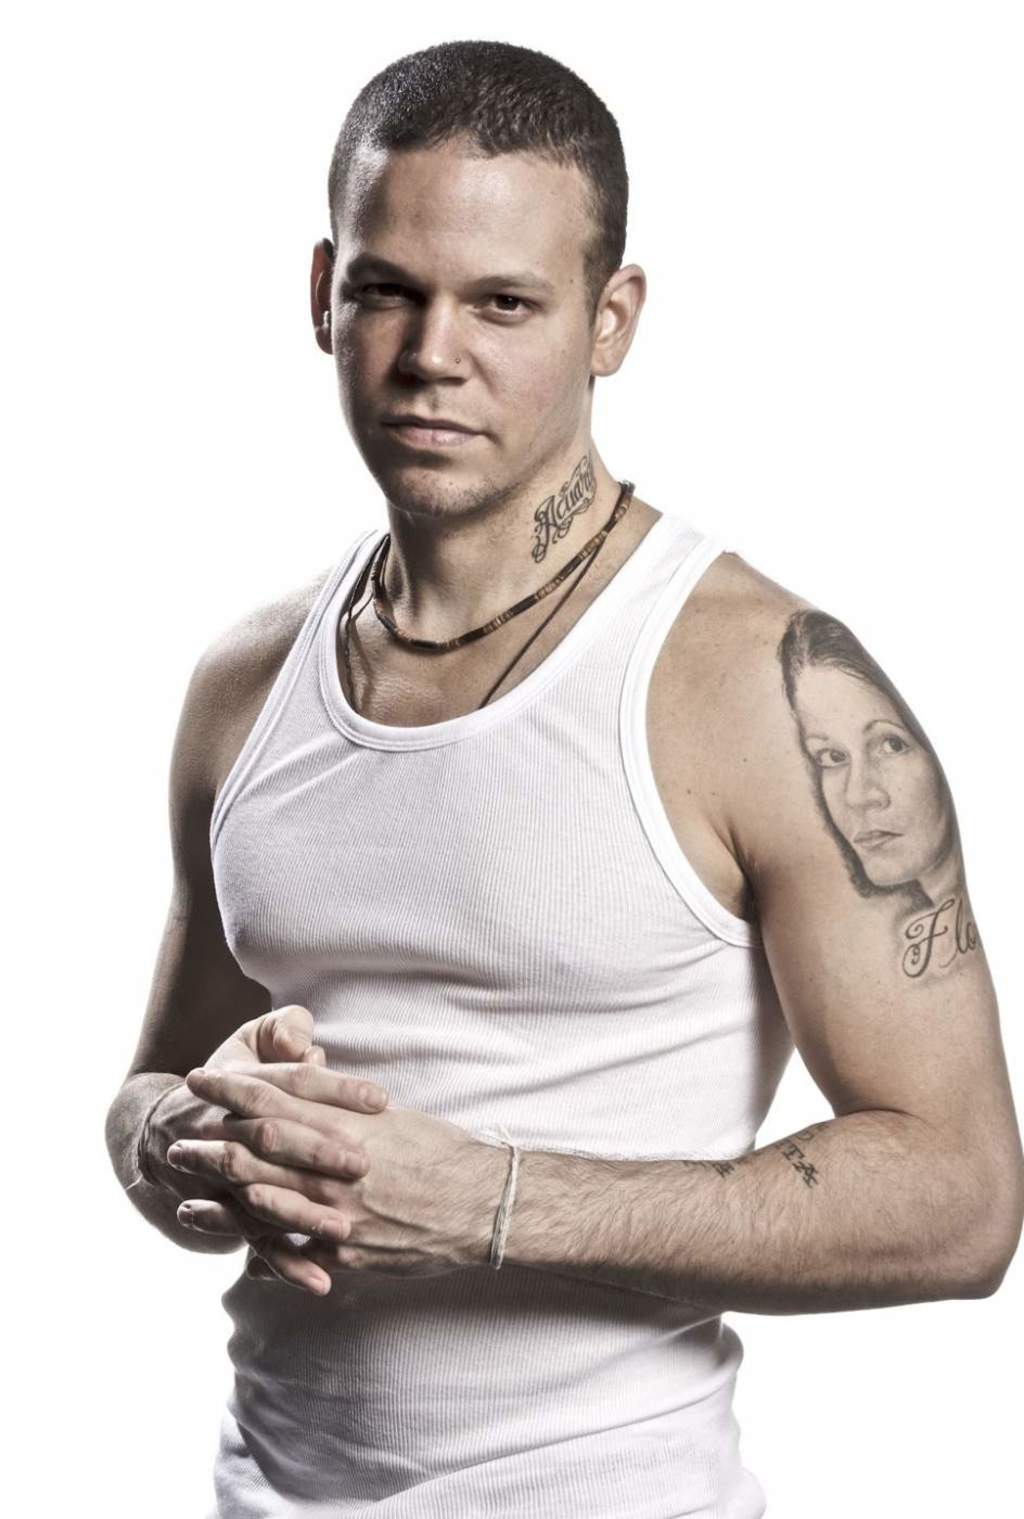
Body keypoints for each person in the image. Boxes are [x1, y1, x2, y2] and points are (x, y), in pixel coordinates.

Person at [104, 38, 1023, 1519]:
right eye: (388, 291)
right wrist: (172, 1142)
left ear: (612, 319)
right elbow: (160, 1082)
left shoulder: (764, 683)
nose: (432, 355)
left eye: (504, 303)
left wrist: (488, 1206)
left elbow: (964, 1200)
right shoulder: (244, 685)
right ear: (322, 293)